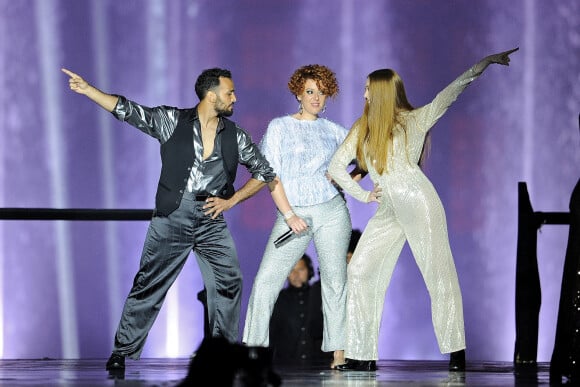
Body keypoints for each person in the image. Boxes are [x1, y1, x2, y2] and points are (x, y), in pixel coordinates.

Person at [61, 67, 275, 371]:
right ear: (210, 95)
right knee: (149, 283)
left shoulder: (235, 135)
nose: (235, 98)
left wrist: (232, 200)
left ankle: (222, 354)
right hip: (174, 214)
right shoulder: (172, 120)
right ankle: (122, 350)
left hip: (211, 217)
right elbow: (128, 110)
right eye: (230, 92)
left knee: (229, 281)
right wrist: (88, 89)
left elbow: (265, 172)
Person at [327, 48, 519, 372]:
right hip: (388, 207)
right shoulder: (363, 126)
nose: (363, 94)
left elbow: (452, 92)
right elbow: (335, 167)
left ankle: (456, 352)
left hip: (419, 202)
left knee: (438, 275)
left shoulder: (415, 120)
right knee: (359, 270)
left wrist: (482, 64)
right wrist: (362, 196)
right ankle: (362, 356)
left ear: (383, 93)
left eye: (368, 89)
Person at [242, 64, 370, 369]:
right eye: (310, 91)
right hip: (294, 214)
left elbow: (367, 155)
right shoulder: (279, 127)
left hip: (331, 212)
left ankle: (339, 353)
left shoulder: (334, 131)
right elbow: (268, 174)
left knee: (335, 282)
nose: (316, 98)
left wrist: (345, 179)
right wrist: (287, 214)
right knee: (265, 281)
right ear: (298, 93)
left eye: (322, 93)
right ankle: (252, 352)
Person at [268, 254, 330, 365]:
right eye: (291, 270)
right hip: (286, 366)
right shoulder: (277, 299)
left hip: (319, 366)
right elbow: (270, 334)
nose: (296, 275)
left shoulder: (321, 296)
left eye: (301, 269)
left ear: (309, 271)